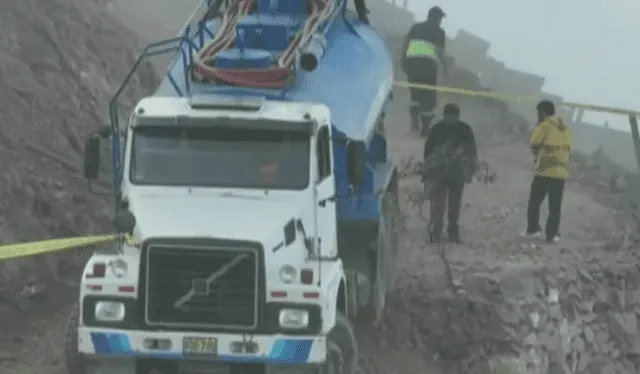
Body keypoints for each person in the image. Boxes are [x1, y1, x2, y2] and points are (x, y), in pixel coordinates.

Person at [422, 103, 477, 243]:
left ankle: (453, 232)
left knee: (454, 205)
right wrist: (428, 170)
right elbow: (428, 151)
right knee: (438, 204)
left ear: (457, 117)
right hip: (439, 173)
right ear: (444, 115)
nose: (450, 119)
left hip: (457, 173)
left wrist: (470, 169)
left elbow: (472, 151)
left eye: (452, 116)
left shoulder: (465, 130)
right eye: (447, 116)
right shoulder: (436, 130)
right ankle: (436, 232)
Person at [521, 100, 573, 243]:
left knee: (534, 202)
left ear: (542, 112)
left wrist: (538, 156)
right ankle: (552, 235)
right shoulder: (565, 129)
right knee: (555, 206)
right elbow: (570, 152)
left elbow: (534, 143)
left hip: (544, 171)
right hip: (561, 173)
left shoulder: (544, 125)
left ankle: (532, 230)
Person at [402, 6, 449, 135]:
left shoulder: (415, 27)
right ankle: (425, 126)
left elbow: (405, 45)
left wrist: (403, 62)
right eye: (440, 18)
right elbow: (440, 52)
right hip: (427, 66)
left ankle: (414, 117)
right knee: (428, 96)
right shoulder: (440, 32)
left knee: (415, 92)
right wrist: (446, 68)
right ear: (437, 18)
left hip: (411, 64)